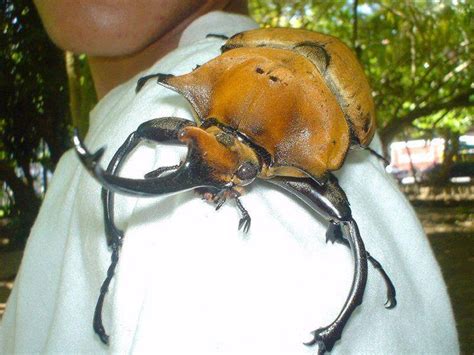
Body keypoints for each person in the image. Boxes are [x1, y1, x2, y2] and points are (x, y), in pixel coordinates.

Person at [0, 1, 459, 353]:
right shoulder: (181, 83)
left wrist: (351, 280)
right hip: (256, 54)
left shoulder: (234, 234)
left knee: (345, 221)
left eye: (238, 171)